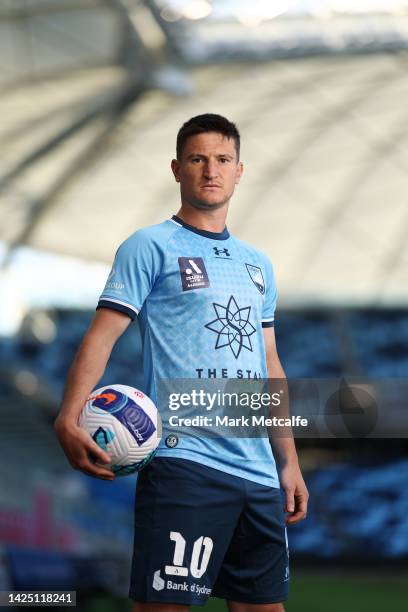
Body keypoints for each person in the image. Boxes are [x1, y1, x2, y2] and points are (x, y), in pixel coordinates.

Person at [55, 113, 309, 612]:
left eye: (222, 159)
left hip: (257, 474)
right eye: (197, 159)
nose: (210, 170)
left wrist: (289, 461)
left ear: (240, 171)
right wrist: (68, 415)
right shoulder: (150, 246)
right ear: (176, 169)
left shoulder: (259, 265)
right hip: (185, 464)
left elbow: (270, 365)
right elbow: (101, 338)